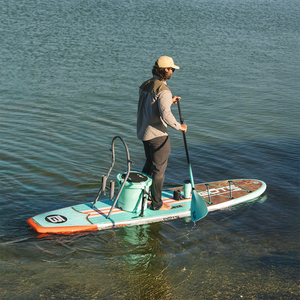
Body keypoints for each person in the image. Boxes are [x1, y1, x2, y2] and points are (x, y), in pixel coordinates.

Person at [137, 56, 187, 211]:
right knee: (159, 169)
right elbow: (165, 115)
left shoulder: (145, 85)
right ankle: (157, 204)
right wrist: (180, 127)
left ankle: (140, 195)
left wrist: (169, 101)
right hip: (158, 136)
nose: (172, 71)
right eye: (171, 69)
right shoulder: (164, 90)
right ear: (165, 69)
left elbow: (151, 106)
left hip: (143, 133)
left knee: (149, 165)